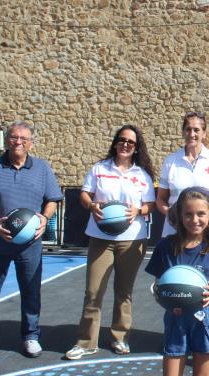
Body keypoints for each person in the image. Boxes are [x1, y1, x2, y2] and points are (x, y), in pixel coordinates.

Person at [0, 121, 64, 366]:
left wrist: (44, 218)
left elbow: (52, 199)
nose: (18, 142)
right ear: (7, 140)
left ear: (31, 142)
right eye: (13, 137)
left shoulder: (42, 168)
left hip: (29, 244)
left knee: (31, 292)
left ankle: (31, 336)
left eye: (23, 138)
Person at [65, 125, 157, 360]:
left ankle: (120, 338)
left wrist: (139, 209)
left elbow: (151, 205)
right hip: (101, 238)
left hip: (132, 240)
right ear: (116, 142)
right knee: (93, 291)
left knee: (123, 292)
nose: (126, 144)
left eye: (131, 142)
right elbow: (85, 194)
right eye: (122, 140)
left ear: (136, 148)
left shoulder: (142, 175)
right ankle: (86, 342)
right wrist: (91, 205)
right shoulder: (99, 169)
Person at [145, 187, 209, 376]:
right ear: (179, 216)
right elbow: (158, 285)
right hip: (176, 318)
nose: (195, 220)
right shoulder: (165, 246)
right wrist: (167, 300)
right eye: (188, 214)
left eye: (201, 214)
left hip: (206, 319)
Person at [157, 112, 209, 237]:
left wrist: (207, 214)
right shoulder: (170, 161)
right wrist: (172, 214)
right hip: (175, 231)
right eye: (188, 129)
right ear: (183, 132)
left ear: (204, 133)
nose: (192, 134)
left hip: (208, 231)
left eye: (196, 130)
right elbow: (160, 199)